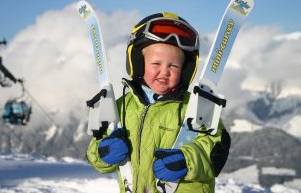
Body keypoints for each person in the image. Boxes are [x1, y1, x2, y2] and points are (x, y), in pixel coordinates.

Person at [86, 12, 231, 193]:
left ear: (185, 70)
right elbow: (96, 153)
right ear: (138, 63)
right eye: (156, 63)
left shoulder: (196, 108)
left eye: (174, 66)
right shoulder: (121, 106)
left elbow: (217, 150)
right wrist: (103, 152)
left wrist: (186, 160)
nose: (165, 72)